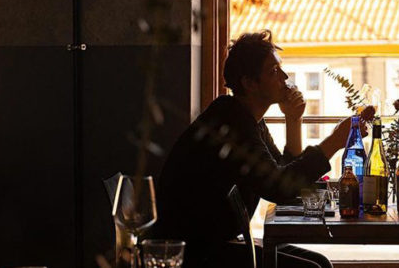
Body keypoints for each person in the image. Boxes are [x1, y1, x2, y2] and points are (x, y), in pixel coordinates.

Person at [152, 30, 361, 268]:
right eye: (273, 71)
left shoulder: (248, 119)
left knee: (318, 262)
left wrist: (293, 121)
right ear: (249, 83)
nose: (284, 76)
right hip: (196, 254)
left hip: (216, 244)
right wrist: (335, 141)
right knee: (312, 267)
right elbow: (277, 187)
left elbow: (282, 173)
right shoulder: (230, 122)